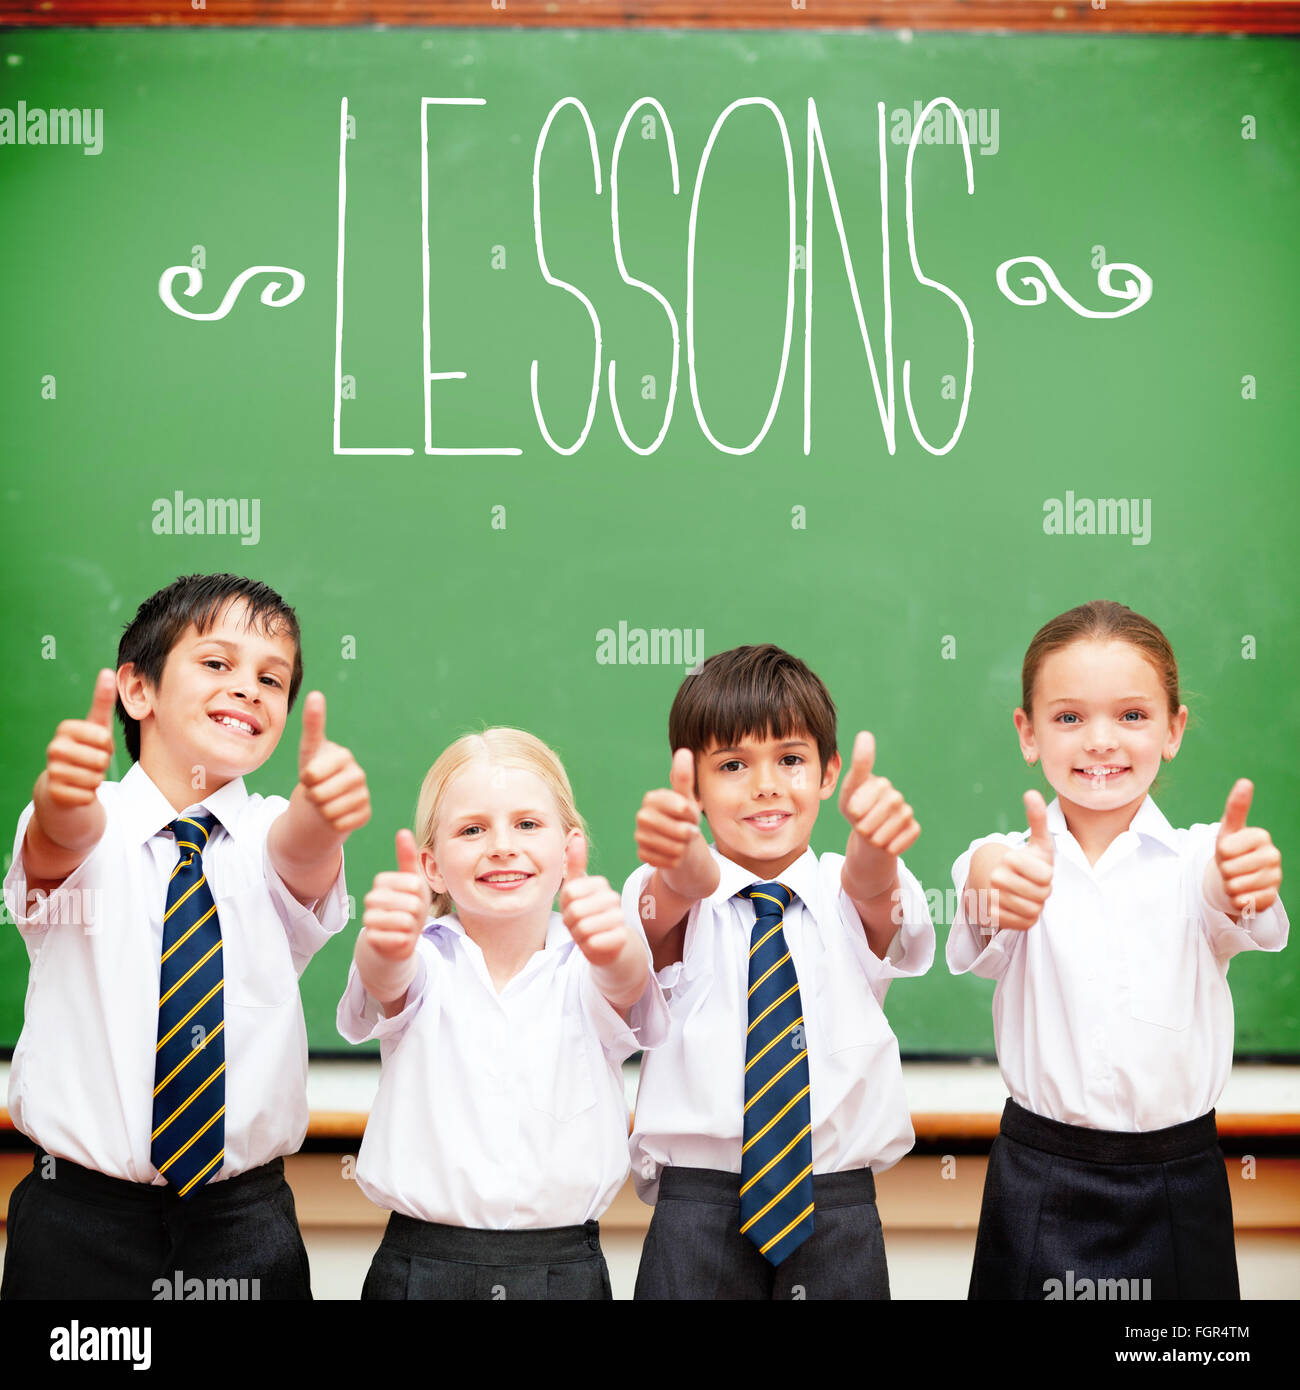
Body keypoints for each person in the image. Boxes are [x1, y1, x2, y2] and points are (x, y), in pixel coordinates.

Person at [1, 572, 369, 1300]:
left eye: (272, 679)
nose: (248, 689)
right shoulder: (88, 822)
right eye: (216, 663)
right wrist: (60, 797)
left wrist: (326, 817)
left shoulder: (270, 832)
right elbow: (56, 841)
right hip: (78, 1221)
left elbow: (302, 851)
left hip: (244, 1223)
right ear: (138, 691)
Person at [949, 598, 1288, 1300]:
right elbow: (982, 889)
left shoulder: (1202, 859)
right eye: (1069, 717)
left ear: (1173, 729)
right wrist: (992, 889)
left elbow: (1233, 898)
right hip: (1039, 1177)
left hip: (1178, 1180)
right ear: (1028, 732)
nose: (1100, 741)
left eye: (1132, 716)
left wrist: (1239, 882)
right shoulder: (1003, 860)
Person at [625, 643, 934, 1299]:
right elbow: (657, 916)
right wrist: (681, 868)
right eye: (733, 764)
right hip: (697, 1214)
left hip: (837, 1210)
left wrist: (876, 848)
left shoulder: (844, 889)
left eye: (790, 760)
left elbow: (877, 896)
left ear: (828, 774)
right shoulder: (667, 895)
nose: (766, 784)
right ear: (696, 788)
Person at [338, 727, 667, 1300]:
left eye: (527, 824)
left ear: (570, 852)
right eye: (471, 830)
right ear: (432, 867)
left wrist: (615, 946)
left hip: (564, 1270)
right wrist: (384, 942)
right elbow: (385, 979)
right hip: (421, 1265)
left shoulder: (591, 964)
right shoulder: (419, 958)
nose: (501, 846)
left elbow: (627, 981)